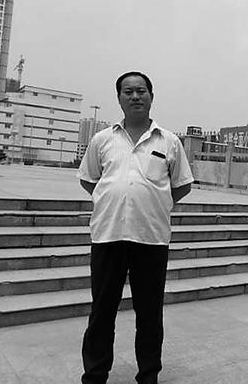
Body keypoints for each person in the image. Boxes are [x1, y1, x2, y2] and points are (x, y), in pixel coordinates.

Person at [77, 71, 194, 384]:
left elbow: (182, 185)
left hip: (151, 239)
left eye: (141, 91)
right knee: (102, 311)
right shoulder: (102, 140)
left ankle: (148, 376)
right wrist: (113, 199)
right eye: (128, 91)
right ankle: (95, 374)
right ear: (119, 99)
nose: (135, 96)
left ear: (151, 96)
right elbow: (89, 179)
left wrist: (154, 202)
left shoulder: (169, 141)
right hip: (108, 236)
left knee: (150, 314)